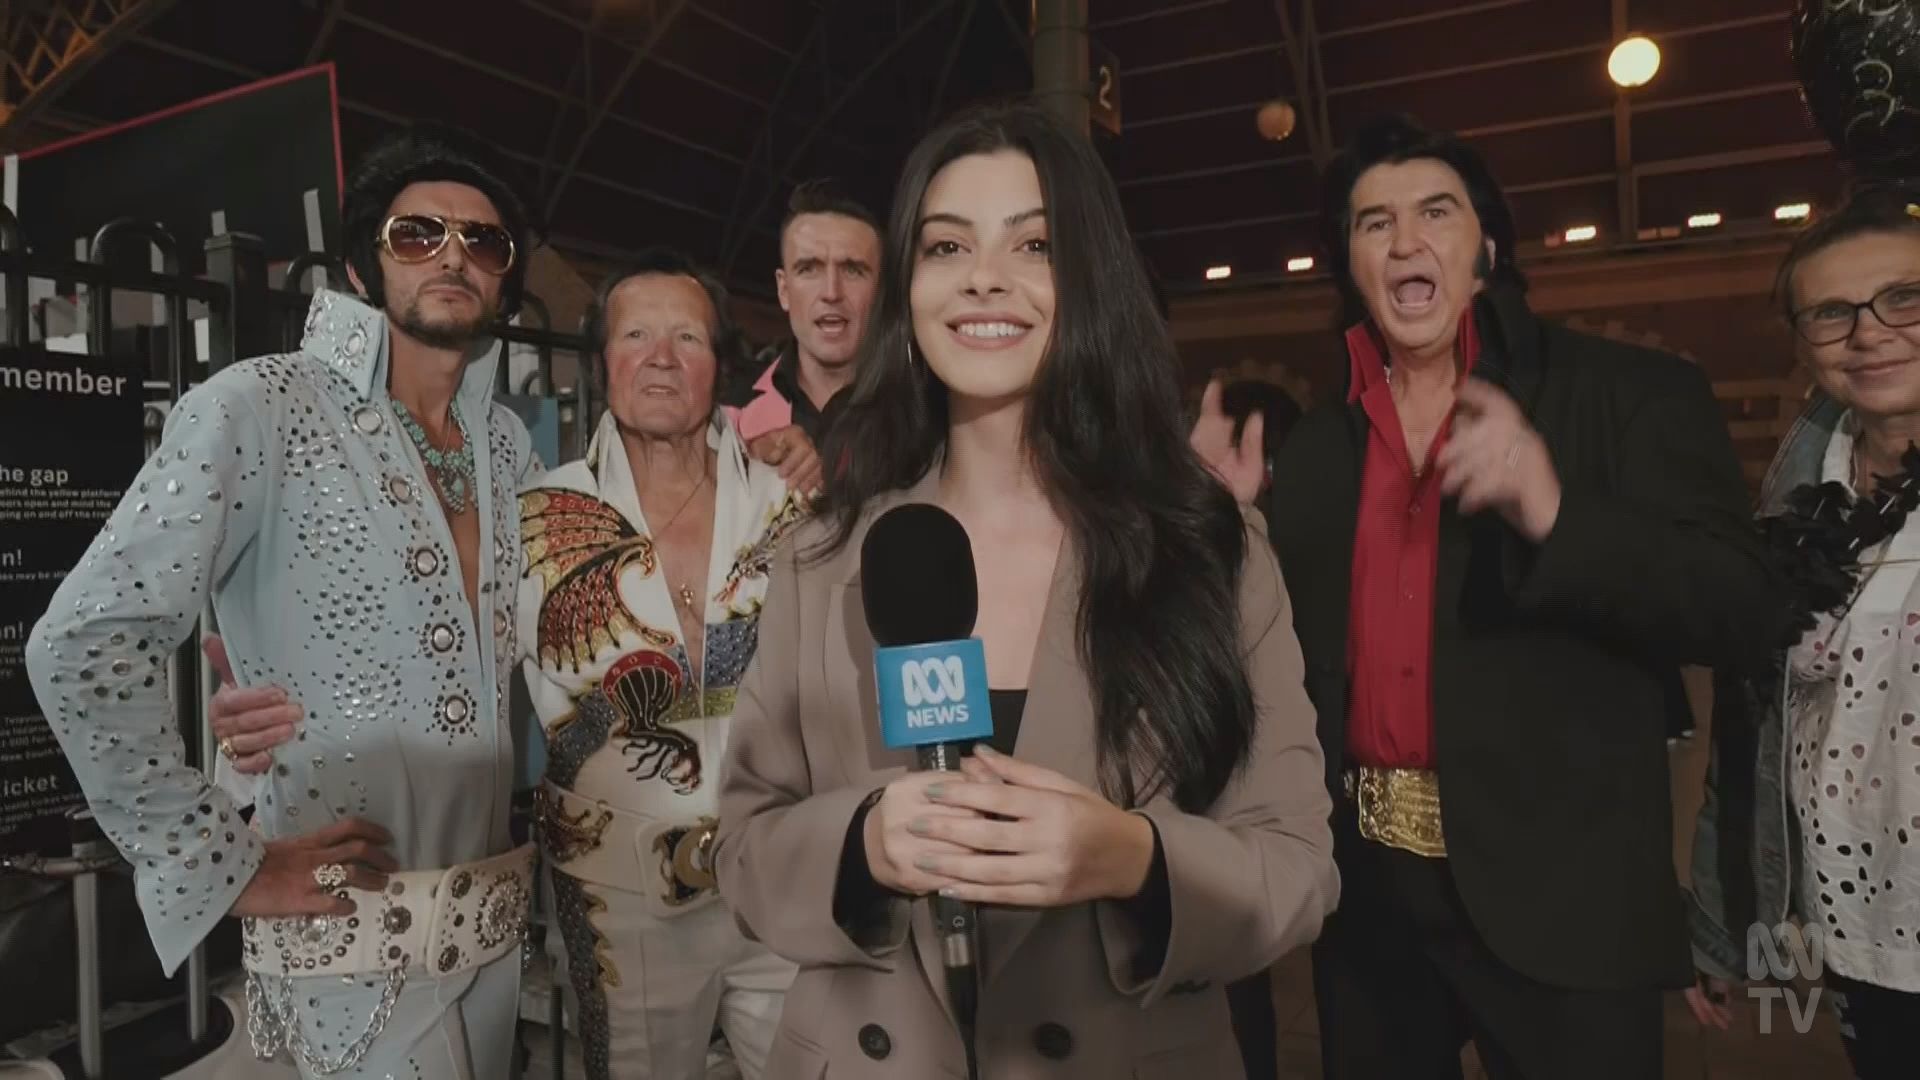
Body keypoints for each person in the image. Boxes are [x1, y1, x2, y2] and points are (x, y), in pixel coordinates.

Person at [713, 101, 1337, 1079]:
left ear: (1091, 277)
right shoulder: (823, 556)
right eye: (946, 246)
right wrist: (863, 845)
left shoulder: (1210, 551)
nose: (984, 277)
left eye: (1034, 244)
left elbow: (1297, 868)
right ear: (909, 288)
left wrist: (1132, 860)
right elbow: (744, 849)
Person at [1193, 113, 1784, 1079]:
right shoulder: (1321, 448)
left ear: (1488, 250)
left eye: (1436, 212)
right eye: (1374, 222)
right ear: (1352, 264)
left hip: (1564, 902)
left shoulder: (1628, 391)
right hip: (1369, 906)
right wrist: (1221, 536)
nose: (1405, 240)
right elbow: (1273, 659)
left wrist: (1555, 512)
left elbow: (1741, 610)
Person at [23, 121, 542, 1079]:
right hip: (346, 943)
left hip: (495, 938)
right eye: (417, 233)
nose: (452, 256)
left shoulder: (507, 448)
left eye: (483, 241)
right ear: (361, 266)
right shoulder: (260, 403)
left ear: (506, 282)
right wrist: (224, 860)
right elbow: (84, 641)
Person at [518, 250, 808, 1079]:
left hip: (779, 870)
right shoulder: (537, 516)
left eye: (687, 337)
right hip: (616, 898)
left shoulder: (791, 503)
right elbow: (452, 661)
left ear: (720, 365)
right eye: (635, 334)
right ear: (601, 362)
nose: (660, 357)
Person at [1686, 184, 1920, 1080]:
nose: (1869, 333)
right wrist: (1724, 921)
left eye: (1903, 297)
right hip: (1856, 929)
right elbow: (1748, 733)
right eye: (1832, 312)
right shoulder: (1798, 500)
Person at [725, 179, 882, 451]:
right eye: (809, 269)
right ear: (784, 290)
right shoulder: (729, 413)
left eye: (852, 270)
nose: (831, 292)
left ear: (881, 291)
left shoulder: (923, 419)